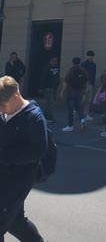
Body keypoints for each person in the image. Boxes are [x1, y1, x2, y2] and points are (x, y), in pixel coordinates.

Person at [0, 75, 48, 242]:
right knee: (15, 222)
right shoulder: (5, 111)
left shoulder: (34, 117)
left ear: (15, 96)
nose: (1, 109)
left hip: (18, 179)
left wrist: (6, 156)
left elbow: (38, 151)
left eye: (3, 106)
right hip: (3, 175)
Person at [62, 57, 88, 132]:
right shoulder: (83, 71)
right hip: (79, 92)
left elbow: (66, 82)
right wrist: (84, 91)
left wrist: (62, 91)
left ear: (73, 62)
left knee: (70, 109)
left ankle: (70, 126)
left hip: (71, 92)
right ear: (79, 62)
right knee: (79, 107)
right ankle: (82, 119)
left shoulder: (71, 70)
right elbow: (86, 82)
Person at [39, 56, 60, 123]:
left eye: (56, 61)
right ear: (50, 61)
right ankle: (49, 117)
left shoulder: (56, 68)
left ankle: (46, 116)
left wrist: (56, 86)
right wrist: (41, 87)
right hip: (47, 87)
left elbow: (57, 77)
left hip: (53, 88)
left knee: (49, 103)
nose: (55, 62)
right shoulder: (47, 67)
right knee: (50, 103)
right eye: (54, 61)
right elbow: (43, 77)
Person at [80, 50, 96, 121]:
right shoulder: (84, 64)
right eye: (90, 56)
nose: (91, 57)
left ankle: (86, 114)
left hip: (90, 84)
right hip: (84, 84)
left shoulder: (94, 64)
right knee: (82, 99)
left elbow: (94, 75)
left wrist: (93, 83)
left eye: (92, 56)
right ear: (87, 56)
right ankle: (77, 112)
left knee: (88, 100)